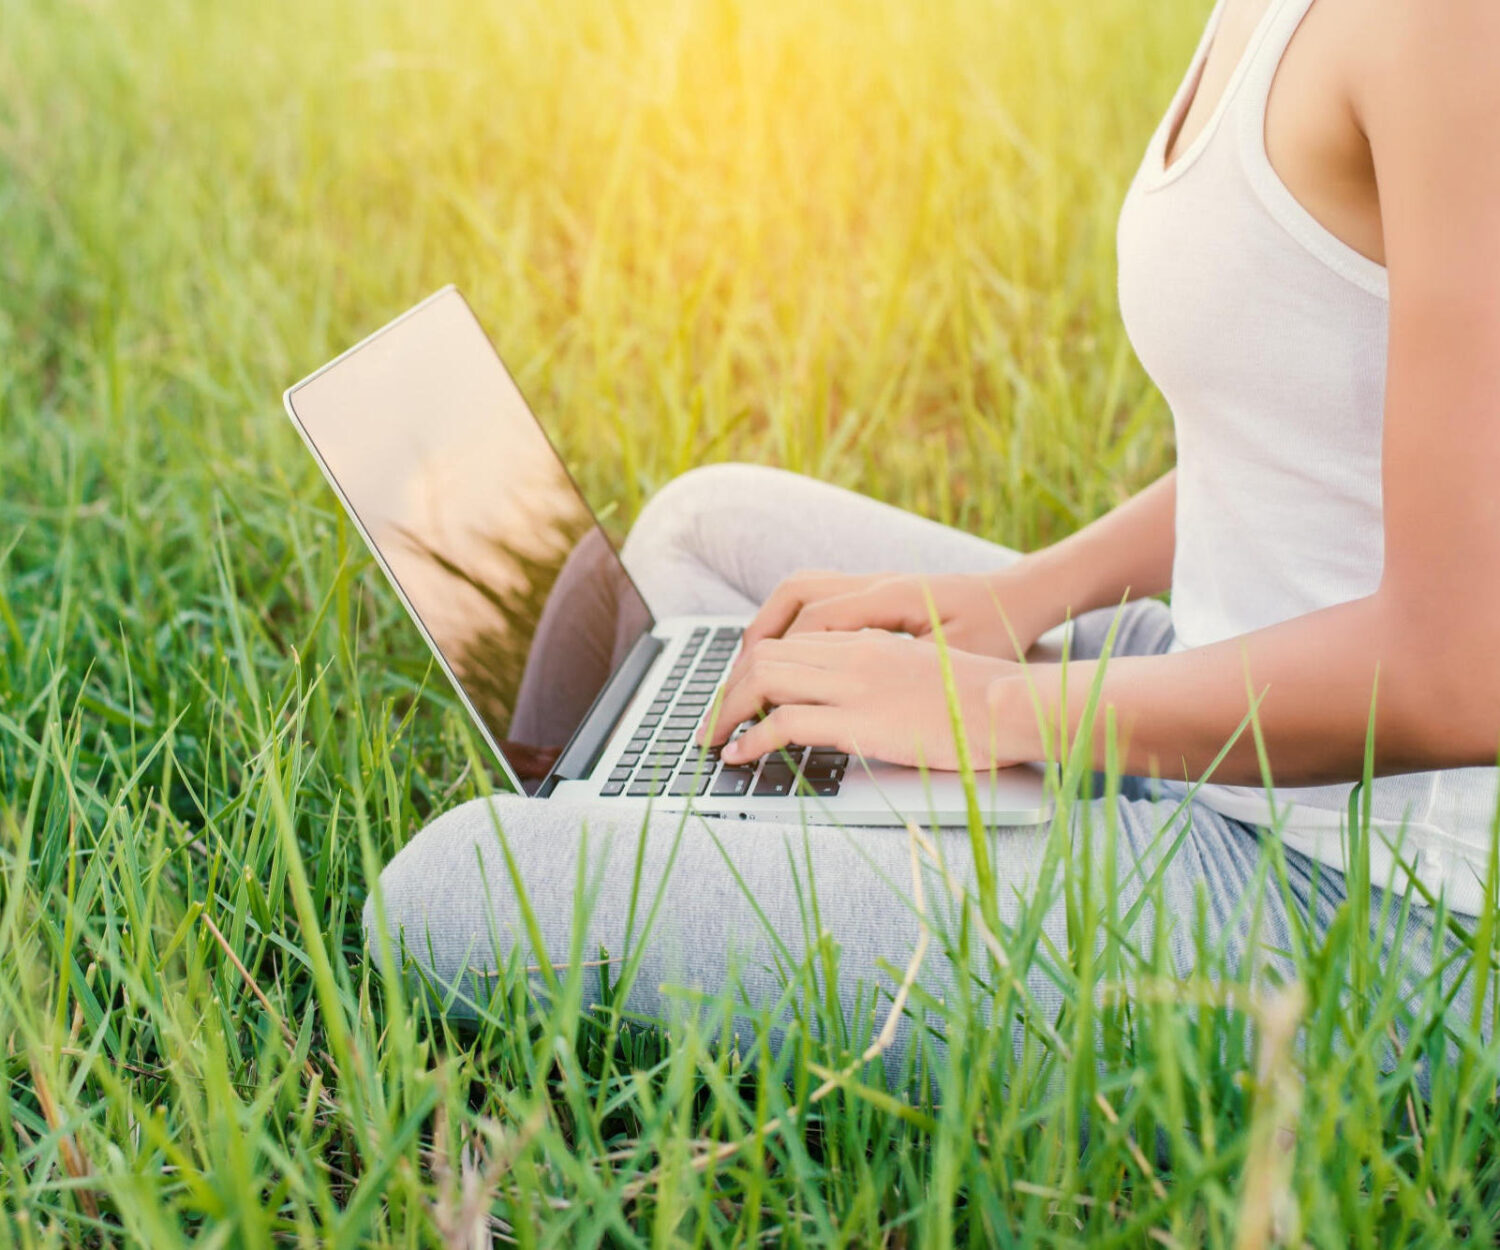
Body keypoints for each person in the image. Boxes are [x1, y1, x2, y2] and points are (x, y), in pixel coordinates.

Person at [365, 0, 1500, 1051]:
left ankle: (759, 834)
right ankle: (762, 807)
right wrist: (1029, 595)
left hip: (1366, 898)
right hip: (1214, 687)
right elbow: (1301, 426)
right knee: (706, 530)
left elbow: (1461, 673)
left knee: (453, 885)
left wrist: (994, 708)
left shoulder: (1442, 28)